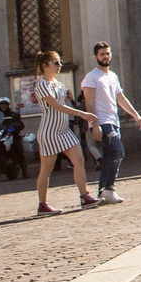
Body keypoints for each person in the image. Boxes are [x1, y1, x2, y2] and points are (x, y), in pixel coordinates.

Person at [30, 51, 98, 215]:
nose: (59, 65)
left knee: (79, 159)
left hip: (64, 130)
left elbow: (63, 104)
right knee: (47, 169)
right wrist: (82, 114)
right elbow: (56, 106)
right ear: (45, 66)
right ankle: (42, 204)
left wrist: (70, 100)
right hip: (50, 132)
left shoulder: (58, 84)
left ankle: (84, 196)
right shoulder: (41, 85)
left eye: (60, 62)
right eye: (56, 62)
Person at [81, 42, 141, 205]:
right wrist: (94, 125)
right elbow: (89, 103)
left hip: (114, 121)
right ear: (95, 57)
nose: (105, 56)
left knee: (110, 156)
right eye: (102, 54)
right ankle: (110, 188)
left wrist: (136, 115)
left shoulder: (113, 76)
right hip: (102, 122)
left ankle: (103, 190)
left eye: (108, 53)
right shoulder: (92, 76)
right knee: (118, 151)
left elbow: (120, 98)